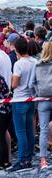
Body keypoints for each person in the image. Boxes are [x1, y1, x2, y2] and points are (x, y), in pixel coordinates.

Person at [8, 37, 37, 173]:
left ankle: (22, 160)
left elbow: (14, 84)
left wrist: (10, 81)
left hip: (19, 98)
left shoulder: (19, 64)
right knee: (29, 130)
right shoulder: (34, 61)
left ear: (17, 49)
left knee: (20, 132)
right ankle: (29, 157)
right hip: (31, 98)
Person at [31, 42, 52, 170]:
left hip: (42, 99)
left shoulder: (37, 64)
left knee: (43, 130)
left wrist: (37, 93)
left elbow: (31, 83)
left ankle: (43, 160)